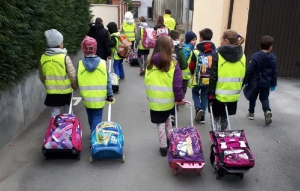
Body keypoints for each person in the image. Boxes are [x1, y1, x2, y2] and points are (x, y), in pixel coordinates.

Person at [145, 36, 184, 157]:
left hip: (154, 101)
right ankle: (171, 142)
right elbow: (177, 85)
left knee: (160, 124)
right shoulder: (173, 64)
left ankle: (163, 147)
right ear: (170, 48)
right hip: (168, 100)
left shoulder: (150, 63)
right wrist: (179, 98)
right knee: (168, 122)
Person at [208, 29, 246, 131]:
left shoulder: (218, 55)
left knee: (215, 117)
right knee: (225, 116)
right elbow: (244, 75)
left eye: (221, 39)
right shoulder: (243, 56)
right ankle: (224, 137)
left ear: (226, 41)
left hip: (218, 94)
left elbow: (213, 76)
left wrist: (210, 91)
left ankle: (217, 138)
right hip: (234, 94)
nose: (220, 41)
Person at [77, 36, 113, 132]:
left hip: (87, 97)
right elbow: (108, 80)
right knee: (97, 116)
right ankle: (94, 137)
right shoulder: (102, 63)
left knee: (90, 115)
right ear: (95, 49)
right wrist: (110, 94)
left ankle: (92, 131)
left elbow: (77, 79)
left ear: (83, 49)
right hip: (99, 97)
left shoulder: (80, 64)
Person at [39, 29, 77, 117]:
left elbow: (41, 75)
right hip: (66, 91)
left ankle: (56, 129)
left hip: (52, 91)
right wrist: (74, 85)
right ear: (60, 44)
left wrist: (47, 84)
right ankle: (69, 129)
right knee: (68, 111)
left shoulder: (43, 58)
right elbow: (72, 74)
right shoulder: (64, 57)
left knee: (54, 113)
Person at [244, 36, 277, 125]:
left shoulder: (256, 56)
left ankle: (251, 113)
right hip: (266, 82)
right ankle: (267, 111)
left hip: (255, 81)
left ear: (260, 45)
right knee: (264, 98)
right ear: (270, 46)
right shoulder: (273, 57)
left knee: (253, 97)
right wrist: (273, 84)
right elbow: (274, 71)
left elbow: (250, 69)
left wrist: (246, 81)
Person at [189, 28, 216, 124]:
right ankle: (203, 117)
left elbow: (192, 66)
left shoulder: (196, 51)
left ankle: (198, 108)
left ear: (201, 38)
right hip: (209, 79)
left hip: (198, 78)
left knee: (195, 93)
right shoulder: (214, 52)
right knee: (204, 96)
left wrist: (192, 74)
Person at [169, 30, 183, 126]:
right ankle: (172, 116)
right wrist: (180, 98)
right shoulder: (180, 49)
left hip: (165, 81)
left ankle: (169, 116)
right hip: (176, 76)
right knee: (173, 95)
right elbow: (185, 64)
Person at [182, 31, 197, 97]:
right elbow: (184, 60)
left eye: (196, 40)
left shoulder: (190, 48)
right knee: (183, 88)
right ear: (188, 40)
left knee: (183, 87)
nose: (195, 42)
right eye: (193, 40)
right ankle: (180, 100)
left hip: (186, 73)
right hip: (184, 73)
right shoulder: (186, 49)